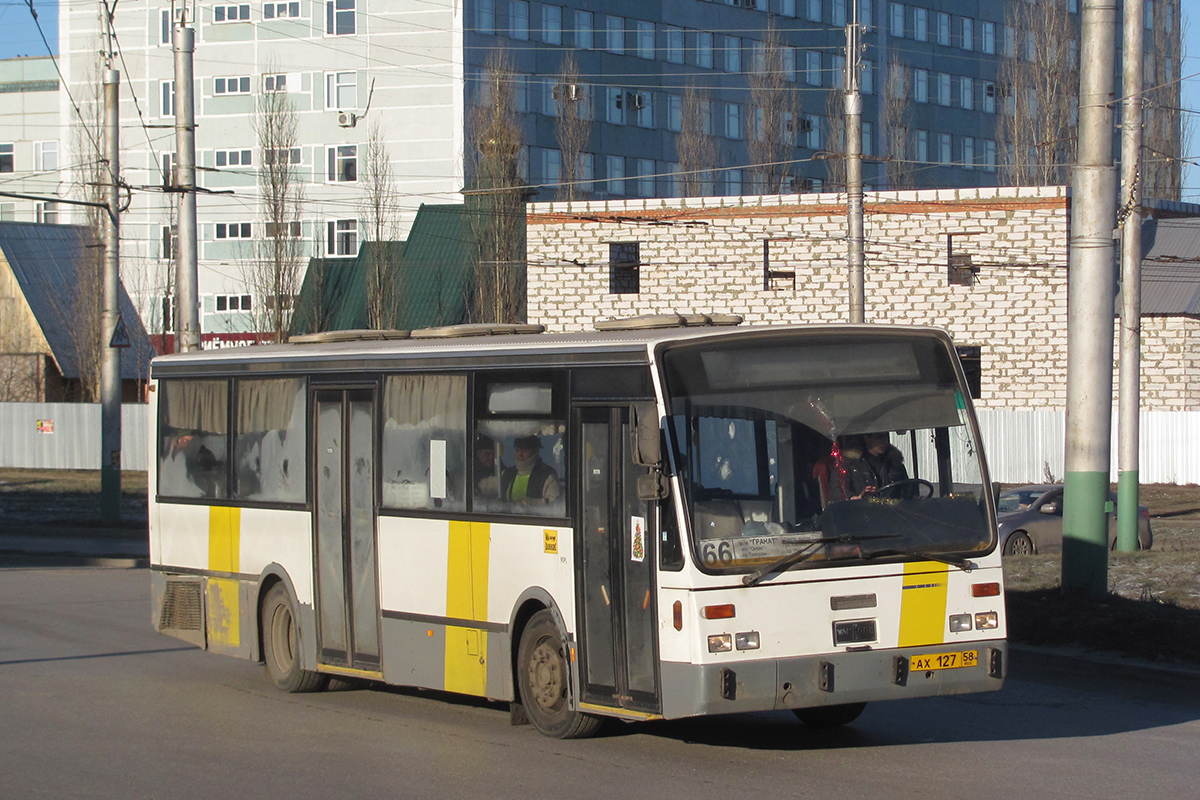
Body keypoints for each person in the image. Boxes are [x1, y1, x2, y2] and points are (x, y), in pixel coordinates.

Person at [831, 432, 908, 500]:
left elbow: (908, 489)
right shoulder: (849, 463)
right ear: (866, 438)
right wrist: (855, 498)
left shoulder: (894, 463)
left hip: (892, 512)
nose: (884, 441)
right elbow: (837, 490)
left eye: (886, 437)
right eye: (879, 437)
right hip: (861, 512)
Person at [500, 434, 561, 506]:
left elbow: (555, 502)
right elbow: (494, 486)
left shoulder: (547, 476)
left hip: (535, 516)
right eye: (517, 451)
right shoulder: (507, 474)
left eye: (524, 451)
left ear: (535, 452)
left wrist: (531, 503)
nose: (520, 454)